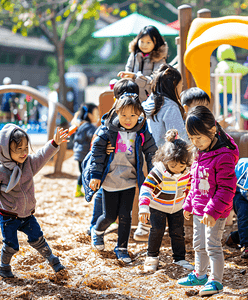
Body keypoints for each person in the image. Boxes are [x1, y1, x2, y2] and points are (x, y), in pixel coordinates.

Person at [0, 124, 69, 278]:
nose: (23, 153)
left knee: (38, 237)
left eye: (25, 148)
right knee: (11, 245)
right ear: (6, 150)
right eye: (18, 149)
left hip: (27, 214)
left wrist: (54, 143)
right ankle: (3, 266)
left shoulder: (29, 164)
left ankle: (53, 260)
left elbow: (42, 155)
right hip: (8, 216)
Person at [84, 93, 157, 263]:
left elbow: (151, 151)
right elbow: (97, 153)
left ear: (139, 114)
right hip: (110, 179)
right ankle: (97, 230)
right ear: (116, 112)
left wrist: (154, 174)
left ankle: (122, 247)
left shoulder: (142, 131)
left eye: (133, 115)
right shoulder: (108, 130)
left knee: (126, 215)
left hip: (129, 179)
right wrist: (95, 175)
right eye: (123, 115)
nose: (128, 119)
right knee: (109, 216)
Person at [177, 106, 239, 296]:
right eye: (192, 138)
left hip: (215, 211)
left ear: (212, 131)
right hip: (199, 209)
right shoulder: (200, 151)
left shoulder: (224, 156)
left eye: (199, 138)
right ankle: (200, 274)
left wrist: (212, 211)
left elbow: (227, 188)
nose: (195, 143)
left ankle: (216, 280)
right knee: (199, 243)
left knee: (212, 245)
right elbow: (195, 183)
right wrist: (188, 203)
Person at [136, 64, 188, 242]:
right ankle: (159, 226)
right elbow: (180, 136)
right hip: (168, 157)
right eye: (180, 86)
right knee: (168, 191)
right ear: (173, 87)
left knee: (151, 187)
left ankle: (144, 225)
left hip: (149, 155)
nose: (181, 90)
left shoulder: (147, 104)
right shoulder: (171, 107)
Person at [86, 79, 139, 241]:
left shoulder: (135, 118)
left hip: (123, 167)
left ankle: (104, 226)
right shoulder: (110, 119)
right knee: (102, 194)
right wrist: (107, 147)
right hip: (106, 166)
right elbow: (97, 143)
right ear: (116, 99)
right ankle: (95, 226)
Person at [139, 129, 194, 272]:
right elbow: (146, 188)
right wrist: (144, 208)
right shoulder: (159, 172)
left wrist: (188, 206)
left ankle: (179, 258)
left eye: (181, 166)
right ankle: (152, 257)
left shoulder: (187, 173)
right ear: (165, 160)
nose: (177, 169)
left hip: (177, 207)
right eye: (173, 165)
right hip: (158, 206)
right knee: (157, 230)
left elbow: (189, 189)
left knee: (178, 232)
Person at [118, 25, 168, 102]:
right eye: (142, 41)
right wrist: (125, 76)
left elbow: (155, 79)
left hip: (150, 95)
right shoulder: (134, 53)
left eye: (148, 42)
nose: (144, 45)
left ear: (156, 42)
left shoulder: (159, 58)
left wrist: (135, 76)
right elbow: (128, 68)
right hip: (133, 92)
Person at [214, 44, 248, 111]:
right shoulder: (236, 65)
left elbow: (217, 72)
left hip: (221, 90)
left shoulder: (220, 65)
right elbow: (245, 69)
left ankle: (222, 118)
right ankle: (230, 118)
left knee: (222, 108)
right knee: (232, 108)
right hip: (233, 90)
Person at [72, 103, 99, 198]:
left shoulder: (80, 126)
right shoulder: (90, 127)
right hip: (85, 154)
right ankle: (88, 190)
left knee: (83, 172)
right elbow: (94, 138)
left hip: (78, 154)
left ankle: (78, 190)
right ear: (89, 115)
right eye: (96, 114)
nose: (98, 117)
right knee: (88, 172)